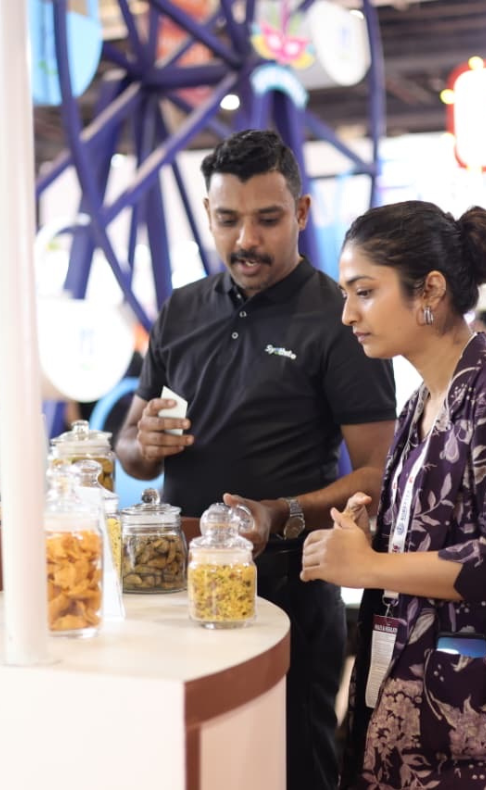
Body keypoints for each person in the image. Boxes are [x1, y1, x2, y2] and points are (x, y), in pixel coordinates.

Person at [116, 129, 397, 790]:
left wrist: (282, 513)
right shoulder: (181, 309)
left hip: (292, 587)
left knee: (292, 764)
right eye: (227, 220)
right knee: (193, 762)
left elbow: (379, 475)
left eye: (267, 219)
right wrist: (141, 446)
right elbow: (131, 450)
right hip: (179, 585)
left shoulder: (339, 316)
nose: (246, 239)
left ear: (299, 213)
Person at [301, 199, 486, 789]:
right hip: (399, 692)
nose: (347, 314)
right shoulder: (417, 405)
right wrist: (368, 530)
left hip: (462, 714)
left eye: (364, 292)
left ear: (428, 289)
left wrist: (370, 564)